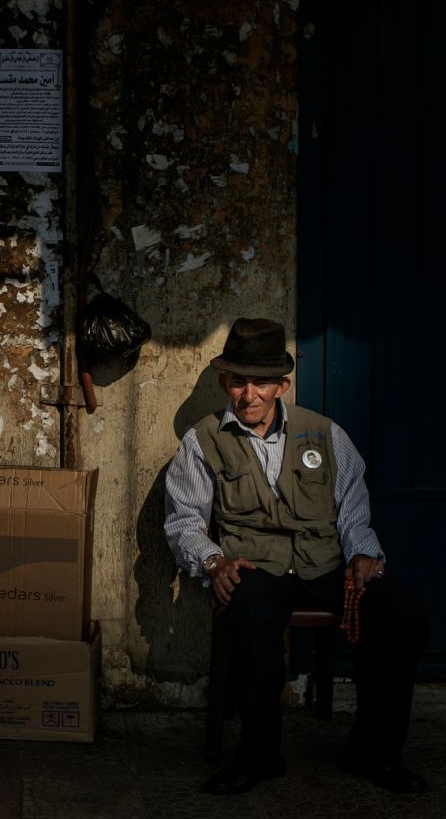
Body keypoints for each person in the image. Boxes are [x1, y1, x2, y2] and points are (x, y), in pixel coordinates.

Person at [164, 317, 429, 794]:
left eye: (261, 383)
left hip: (323, 564)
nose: (248, 396)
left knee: (402, 614)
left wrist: (365, 556)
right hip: (256, 567)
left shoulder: (326, 435)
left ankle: (374, 750)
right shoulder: (202, 440)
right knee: (251, 612)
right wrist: (211, 561)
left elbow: (352, 512)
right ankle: (259, 755)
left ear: (281, 386)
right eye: (239, 382)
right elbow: (184, 520)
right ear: (226, 382)